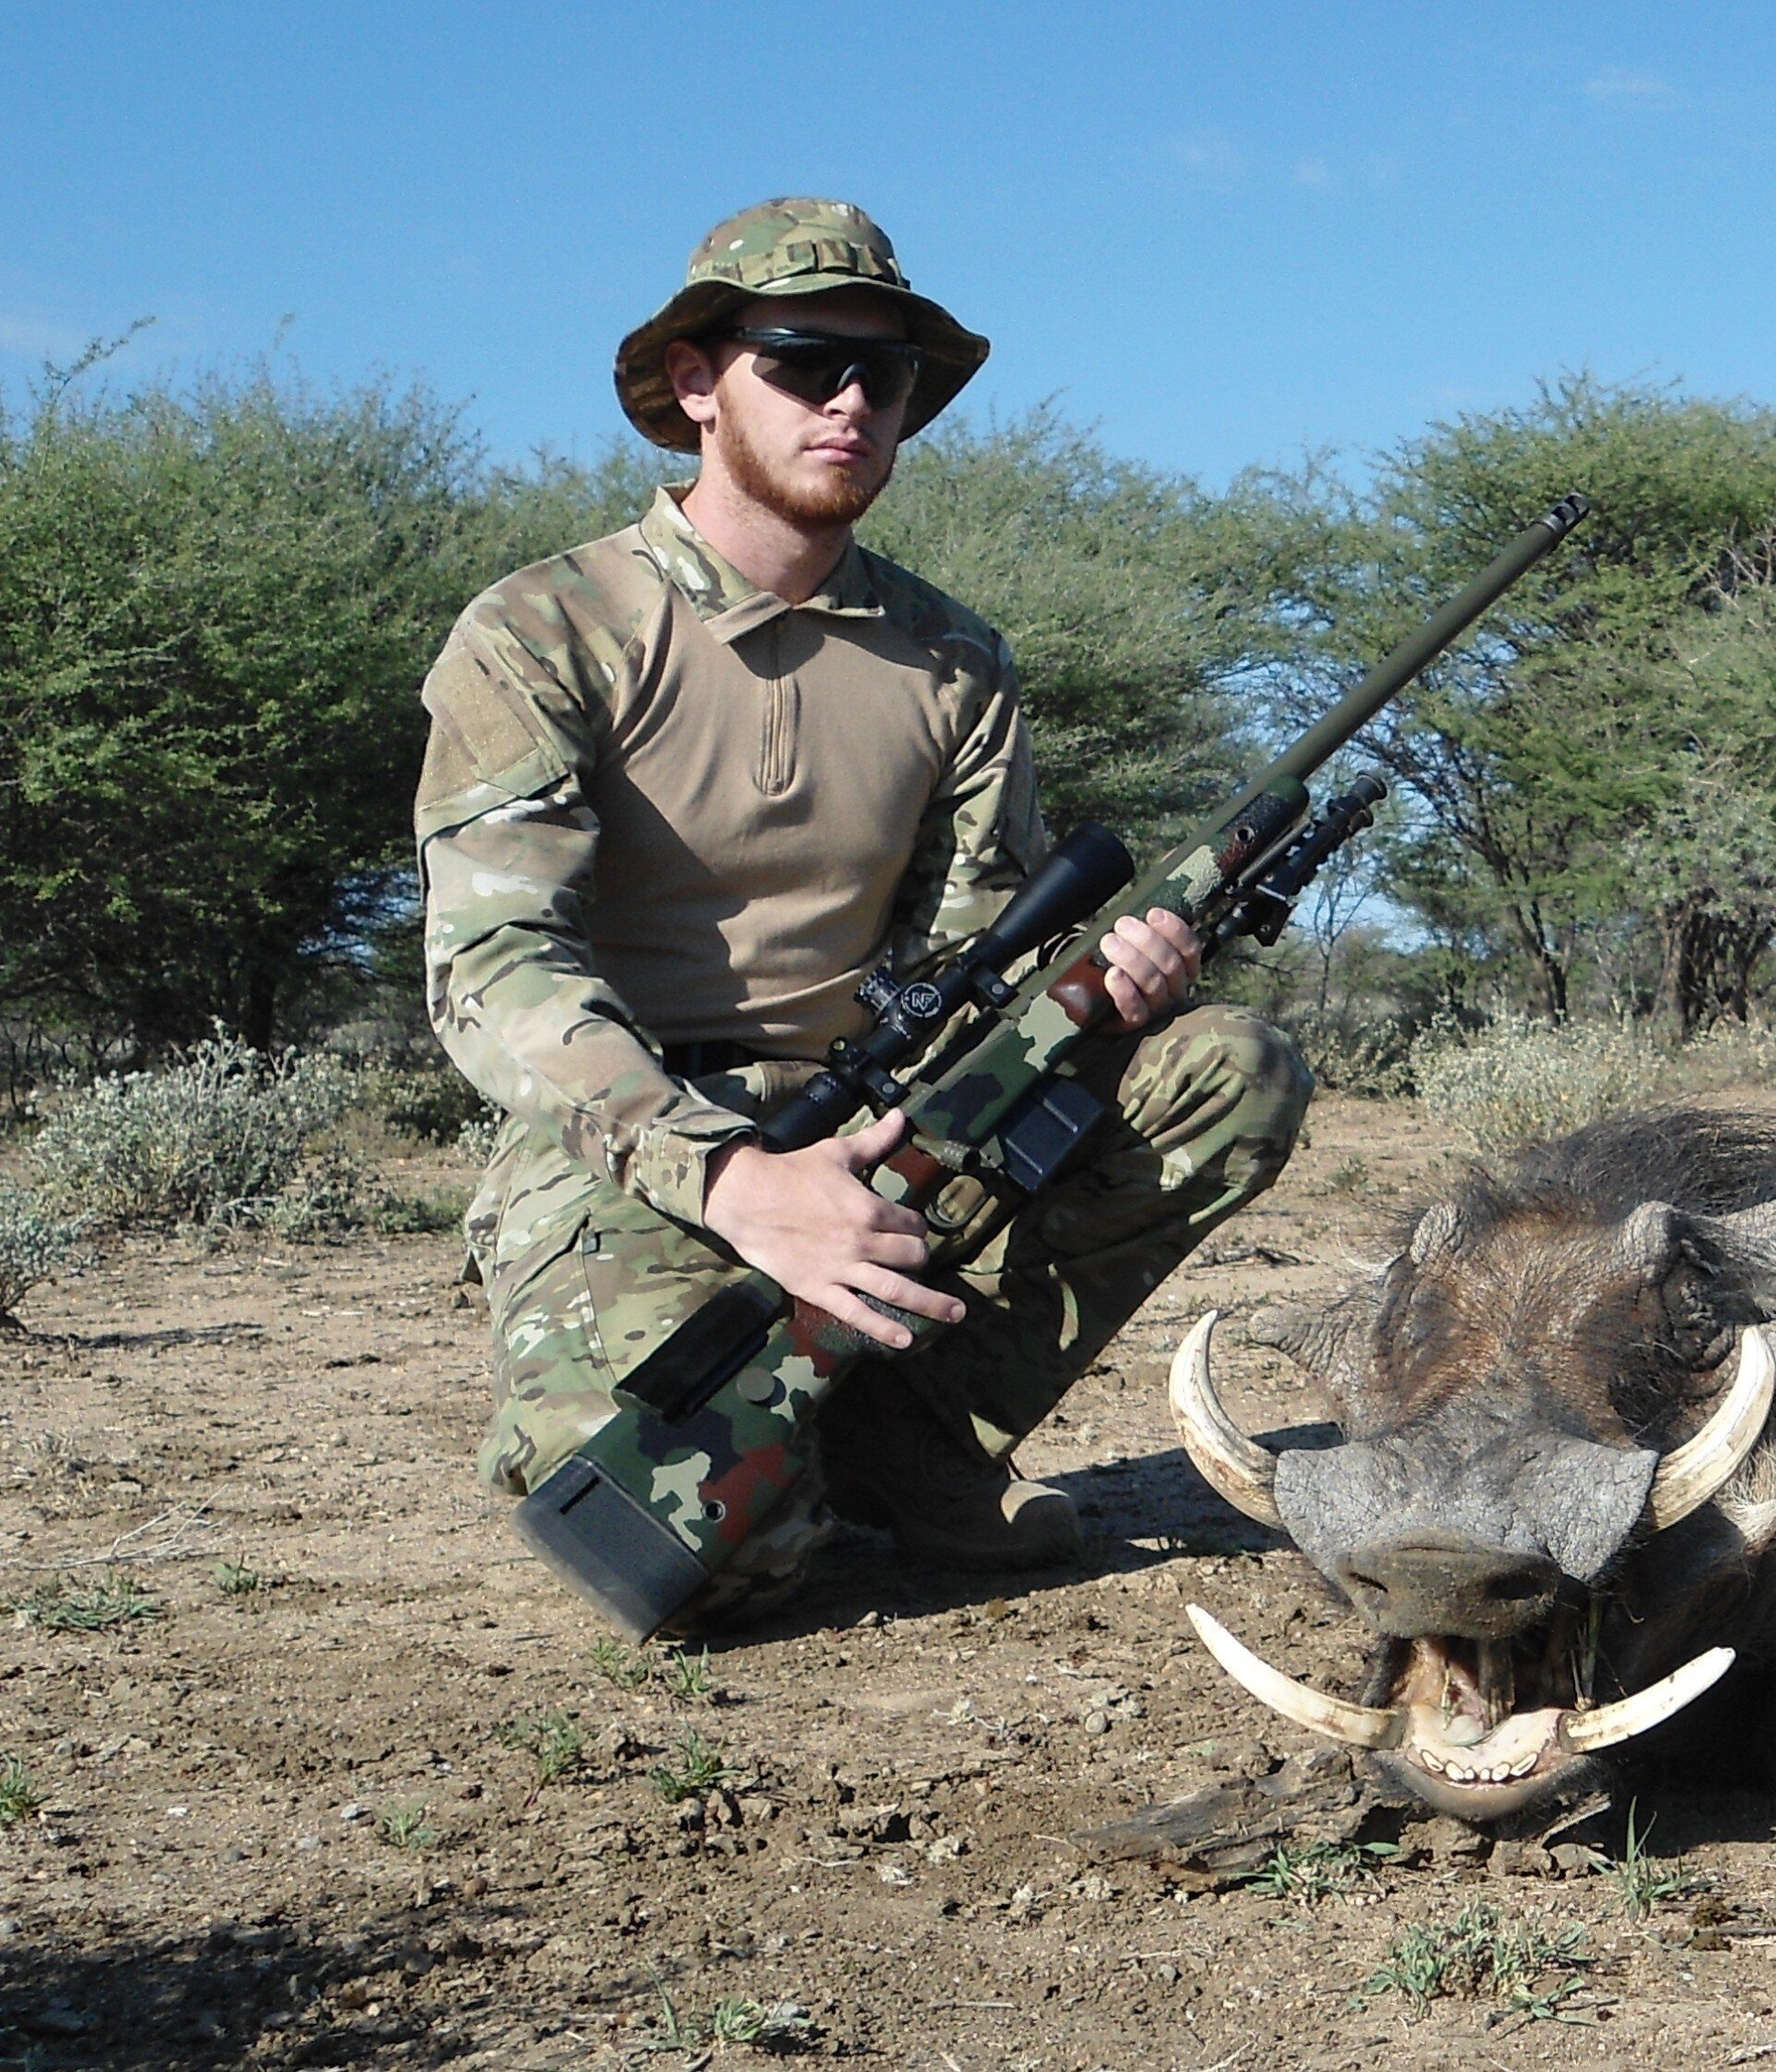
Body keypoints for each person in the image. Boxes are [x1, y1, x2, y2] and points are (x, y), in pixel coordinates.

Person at [414, 197, 1311, 1628]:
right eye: (800, 360)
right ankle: (829, 1462)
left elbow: (984, 951)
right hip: (643, 1146)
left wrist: (1123, 983)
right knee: (684, 1545)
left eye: (883, 376)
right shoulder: (545, 630)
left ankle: (924, 1451)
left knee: (1229, 1068)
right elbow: (492, 966)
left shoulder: (954, 658)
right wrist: (727, 1176)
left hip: (893, 1125)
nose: (851, 402)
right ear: (698, 382)